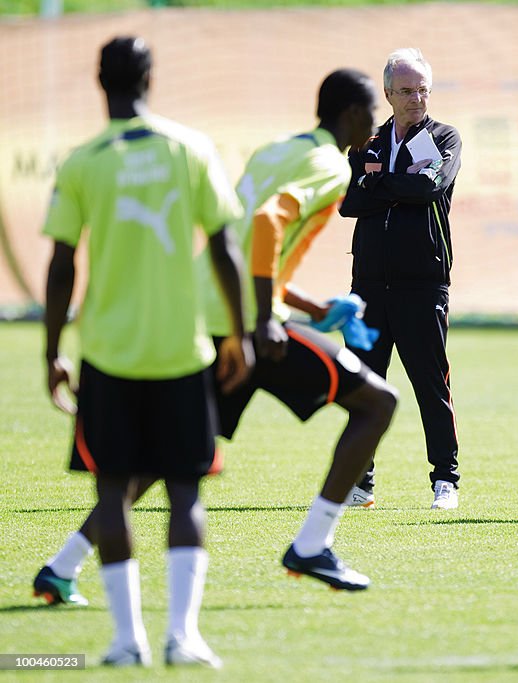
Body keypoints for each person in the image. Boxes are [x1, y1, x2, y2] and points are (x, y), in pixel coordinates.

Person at [33, 68, 398, 604]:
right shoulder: (329, 166)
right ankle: (313, 544)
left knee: (165, 460)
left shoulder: (276, 151)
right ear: (350, 115)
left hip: (212, 317)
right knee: (378, 403)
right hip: (248, 327)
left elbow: (246, 235)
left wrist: (305, 305)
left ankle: (61, 567)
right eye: (373, 112)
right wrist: (267, 319)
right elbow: (271, 224)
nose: (377, 123)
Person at [42, 36, 253, 667]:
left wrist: (52, 351)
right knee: (185, 492)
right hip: (181, 352)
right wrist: (239, 334)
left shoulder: (82, 161)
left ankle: (125, 640)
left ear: (98, 81)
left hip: (105, 356)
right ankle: (183, 638)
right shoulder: (189, 149)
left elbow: (59, 265)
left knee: (111, 494)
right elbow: (224, 246)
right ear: (150, 78)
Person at [340, 47, 463, 510]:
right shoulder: (368, 142)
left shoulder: (445, 137)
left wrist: (380, 185)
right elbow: (349, 202)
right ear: (389, 93)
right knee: (363, 384)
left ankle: (445, 480)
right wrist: (396, 183)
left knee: (430, 384)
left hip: (422, 283)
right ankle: (361, 482)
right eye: (407, 91)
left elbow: (429, 185)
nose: (417, 98)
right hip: (369, 287)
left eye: (423, 90)